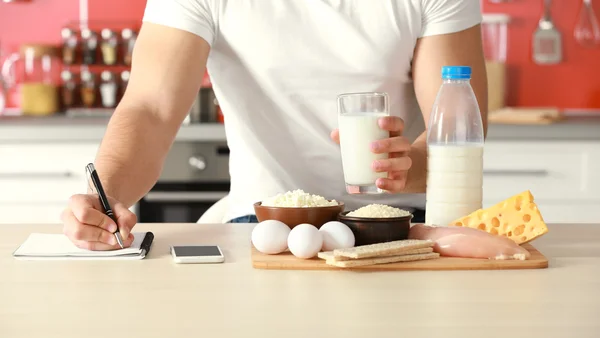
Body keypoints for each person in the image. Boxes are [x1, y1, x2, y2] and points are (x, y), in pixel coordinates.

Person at [61, 0, 488, 250]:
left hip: (393, 222)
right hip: (261, 221)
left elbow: (460, 124)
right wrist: (107, 195)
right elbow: (151, 108)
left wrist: (410, 162)